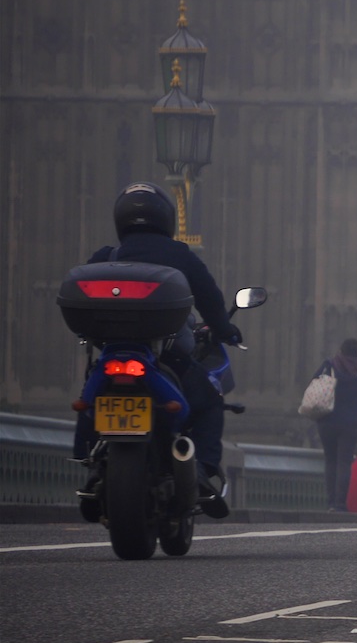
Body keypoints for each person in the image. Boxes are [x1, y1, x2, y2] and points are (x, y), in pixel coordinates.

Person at [74, 182, 242, 519]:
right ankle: (202, 472)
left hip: (112, 357)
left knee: (91, 392)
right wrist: (226, 331)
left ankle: (91, 465)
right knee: (210, 401)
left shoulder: (106, 258)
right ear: (165, 219)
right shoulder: (180, 256)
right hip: (166, 359)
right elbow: (209, 299)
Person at [312, 338, 357, 511]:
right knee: (344, 463)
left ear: (341, 350)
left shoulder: (329, 366)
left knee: (330, 460)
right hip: (351, 423)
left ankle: (331, 502)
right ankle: (340, 504)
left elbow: (313, 384)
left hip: (327, 420)